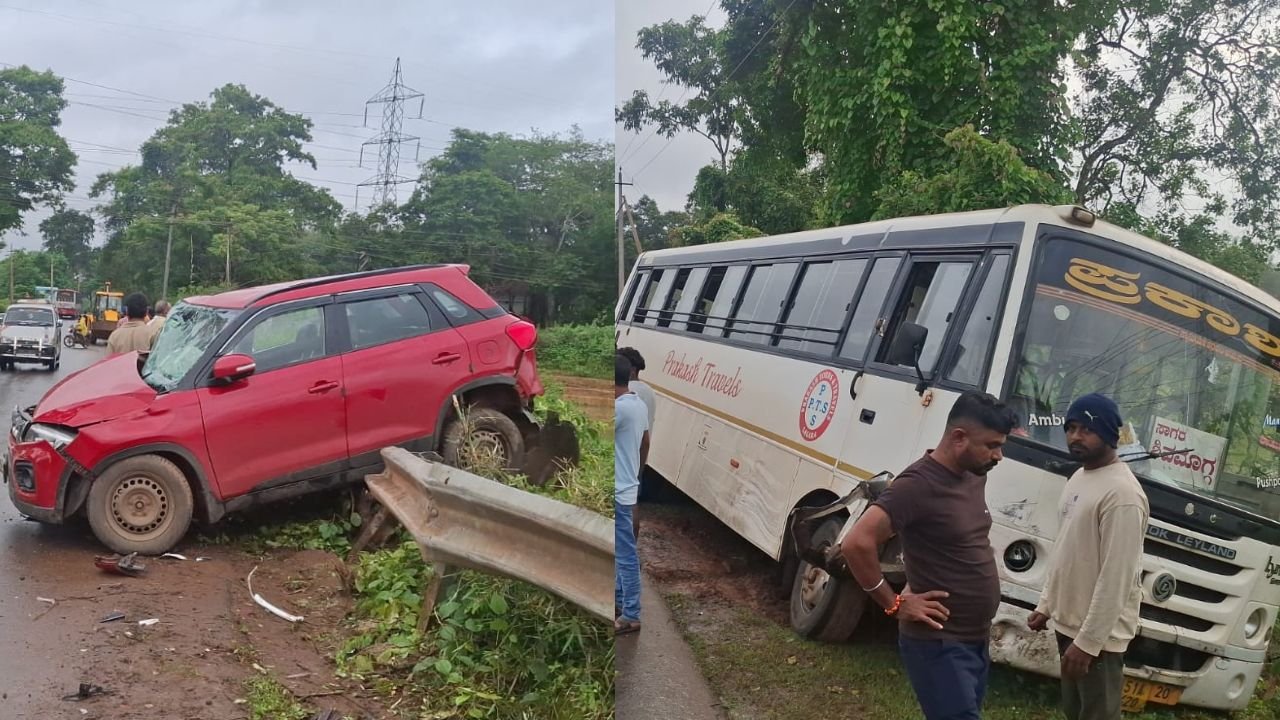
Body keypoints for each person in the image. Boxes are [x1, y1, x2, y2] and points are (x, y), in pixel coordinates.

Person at [838, 391, 1019, 720]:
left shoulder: (971, 476)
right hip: (938, 643)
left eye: (1001, 445)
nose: (999, 455)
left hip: (973, 639)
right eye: (991, 445)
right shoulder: (917, 485)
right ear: (958, 437)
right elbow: (856, 542)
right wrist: (892, 603)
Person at [1028, 393, 1148, 720]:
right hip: (1070, 625)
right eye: (1071, 427)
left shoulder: (1122, 494)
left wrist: (1089, 642)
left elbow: (1117, 578)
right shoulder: (1080, 476)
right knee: (1075, 712)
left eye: (1086, 429)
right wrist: (1046, 604)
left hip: (1098, 640)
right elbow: (1068, 549)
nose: (1075, 437)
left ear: (1110, 435)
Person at [614, 353, 649, 636]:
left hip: (619, 491)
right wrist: (636, 474)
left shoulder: (620, 410)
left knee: (625, 555)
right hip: (627, 486)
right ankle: (617, 601)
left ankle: (631, 614)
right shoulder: (637, 405)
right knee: (619, 553)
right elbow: (645, 441)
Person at [107, 292, 152, 356]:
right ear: (147, 311)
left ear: (127, 311)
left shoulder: (114, 336)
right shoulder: (152, 334)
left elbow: (108, 362)